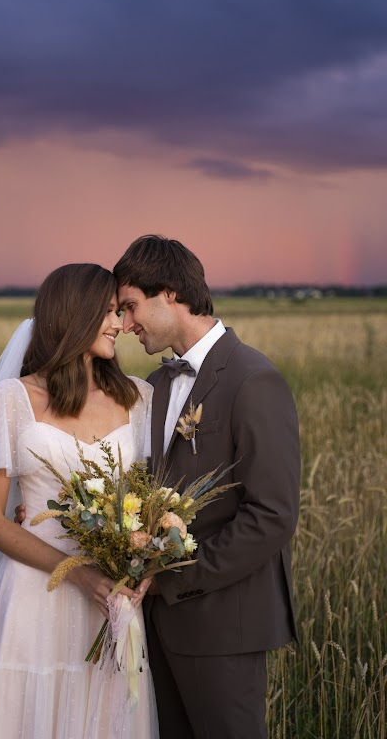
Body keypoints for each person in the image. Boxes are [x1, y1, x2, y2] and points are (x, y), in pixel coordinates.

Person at [0, 264, 159, 739]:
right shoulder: (12, 401)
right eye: (108, 312)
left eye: (120, 312)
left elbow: (148, 503)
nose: (119, 324)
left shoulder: (138, 399)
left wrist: (142, 559)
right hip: (34, 598)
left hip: (113, 601)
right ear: (74, 315)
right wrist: (79, 573)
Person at [112, 235, 300, 739]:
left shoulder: (254, 380)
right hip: (157, 627)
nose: (126, 325)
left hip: (223, 625)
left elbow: (272, 515)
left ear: (170, 293)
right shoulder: (156, 382)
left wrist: (173, 577)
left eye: (131, 307)